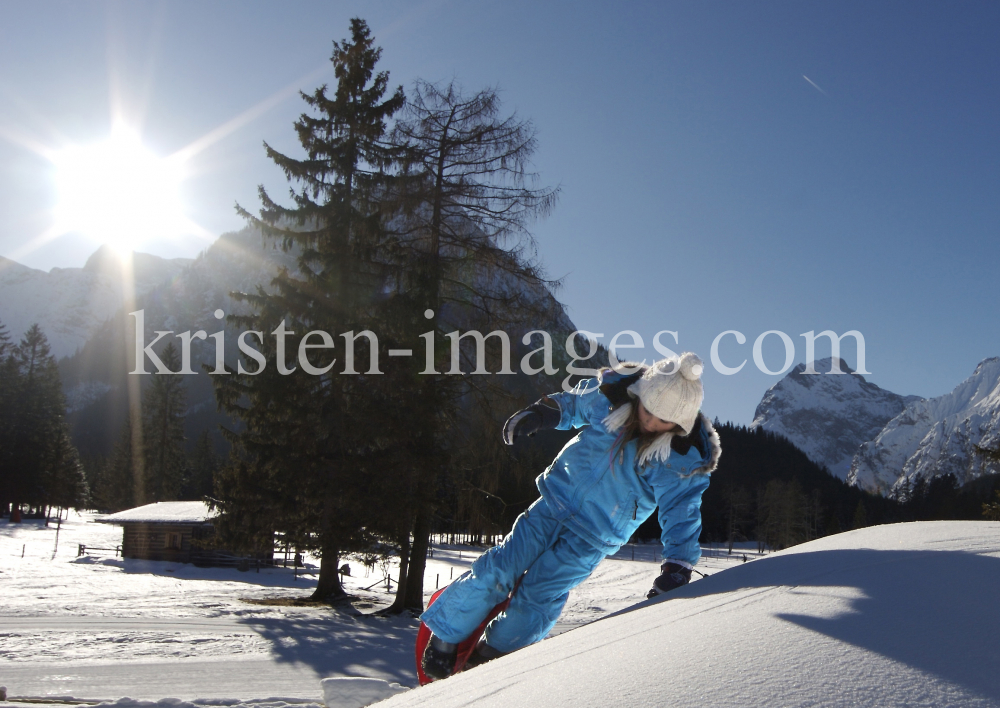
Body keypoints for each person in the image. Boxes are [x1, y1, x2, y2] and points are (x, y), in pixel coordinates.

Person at [419, 352, 721, 680]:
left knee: (540, 595)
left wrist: (678, 564)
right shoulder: (611, 401)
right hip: (553, 504)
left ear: (679, 424)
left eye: (662, 420)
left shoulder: (678, 460)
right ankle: (445, 637)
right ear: (640, 395)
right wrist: (541, 413)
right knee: (499, 566)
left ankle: (494, 656)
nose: (649, 422)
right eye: (647, 409)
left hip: (593, 537)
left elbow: (682, 512)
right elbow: (573, 403)